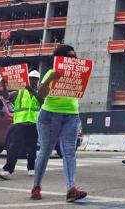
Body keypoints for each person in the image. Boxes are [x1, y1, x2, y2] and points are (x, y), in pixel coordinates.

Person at [30, 45, 87, 202]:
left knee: (69, 152)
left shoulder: (77, 74)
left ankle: (71, 189)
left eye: (74, 57)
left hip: (71, 116)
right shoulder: (51, 72)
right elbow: (41, 95)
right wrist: (50, 78)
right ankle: (36, 186)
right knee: (46, 151)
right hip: (49, 115)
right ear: (60, 58)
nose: (72, 59)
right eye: (69, 56)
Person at [0, 70, 42, 180]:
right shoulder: (20, 92)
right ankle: (8, 170)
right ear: (27, 79)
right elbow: (6, 97)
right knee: (14, 147)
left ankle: (31, 168)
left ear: (38, 81)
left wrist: (32, 91)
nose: (33, 81)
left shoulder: (40, 91)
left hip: (34, 123)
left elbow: (42, 101)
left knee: (32, 148)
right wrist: (3, 86)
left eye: (35, 79)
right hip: (20, 123)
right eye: (31, 78)